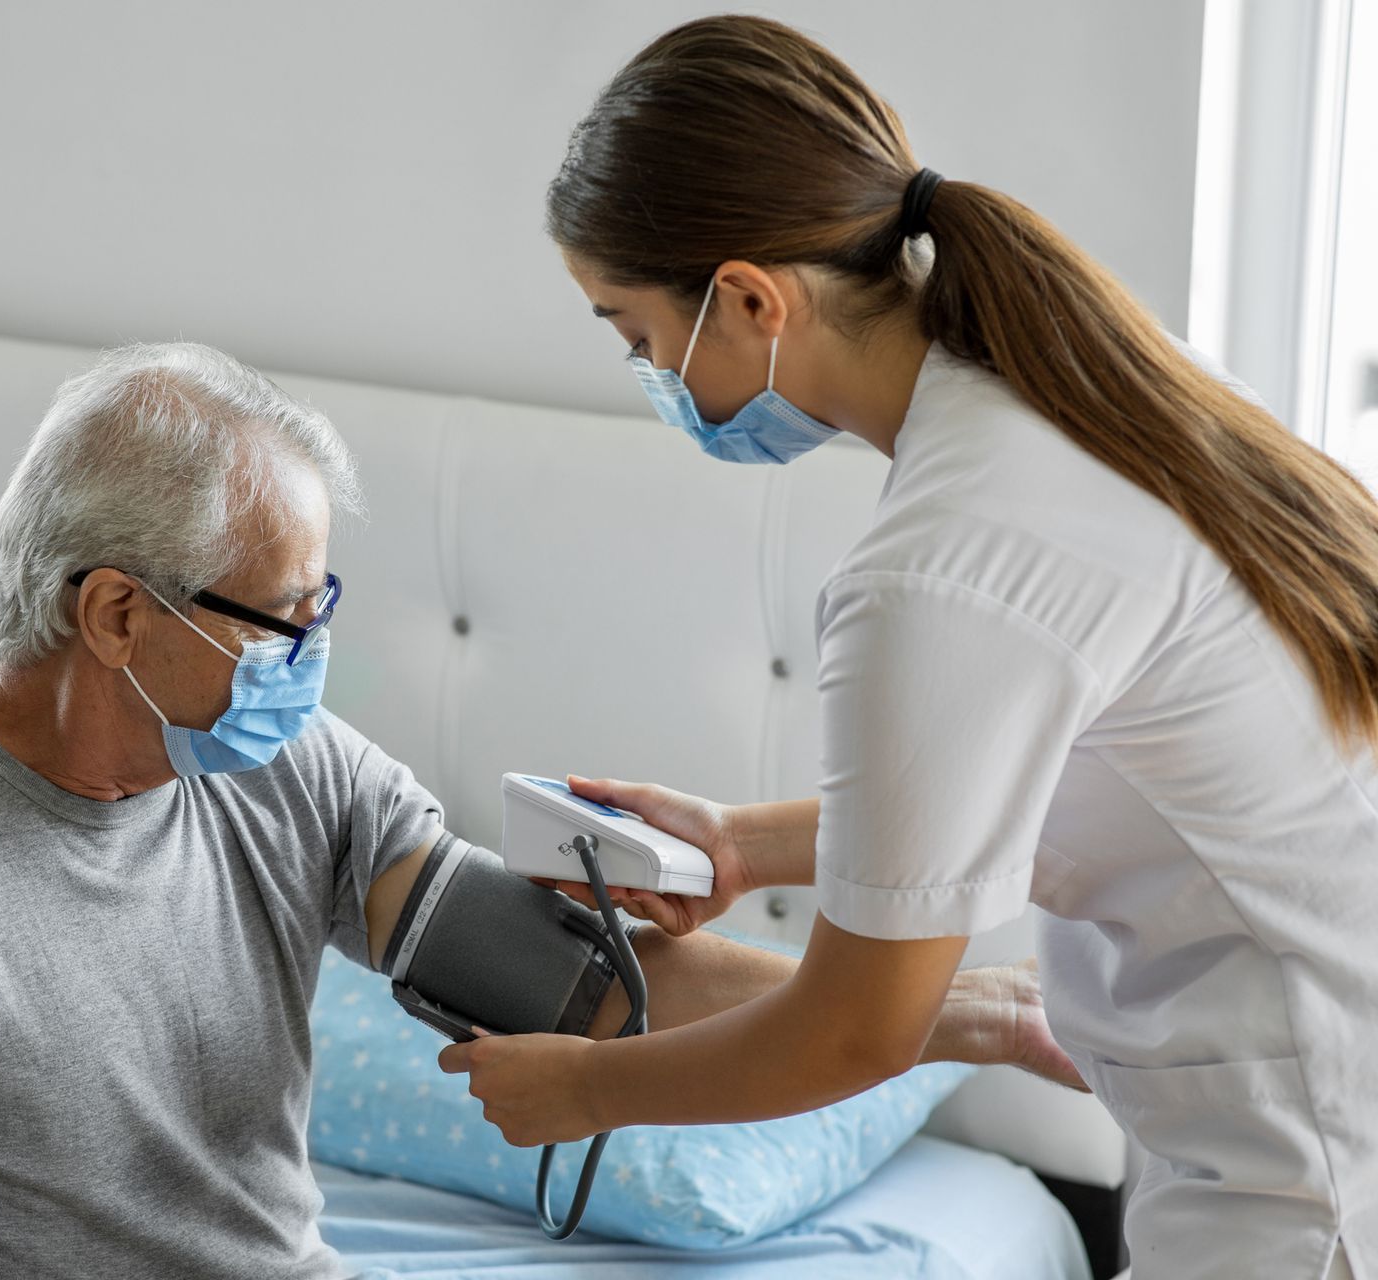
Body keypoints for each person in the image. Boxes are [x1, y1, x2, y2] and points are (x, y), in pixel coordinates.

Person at [0, 340, 1070, 1280]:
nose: (309, 660)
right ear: (118, 614)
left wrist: (955, 1014)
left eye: (325, 611)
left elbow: (584, 985)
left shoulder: (279, 766)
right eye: (283, 620)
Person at [442, 16, 1376, 1280]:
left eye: (636, 333)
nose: (649, 371)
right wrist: (738, 842)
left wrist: (588, 1089)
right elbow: (1039, 773)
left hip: (1310, 1167)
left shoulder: (938, 568)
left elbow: (854, 1031)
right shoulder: (1106, 391)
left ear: (753, 298)